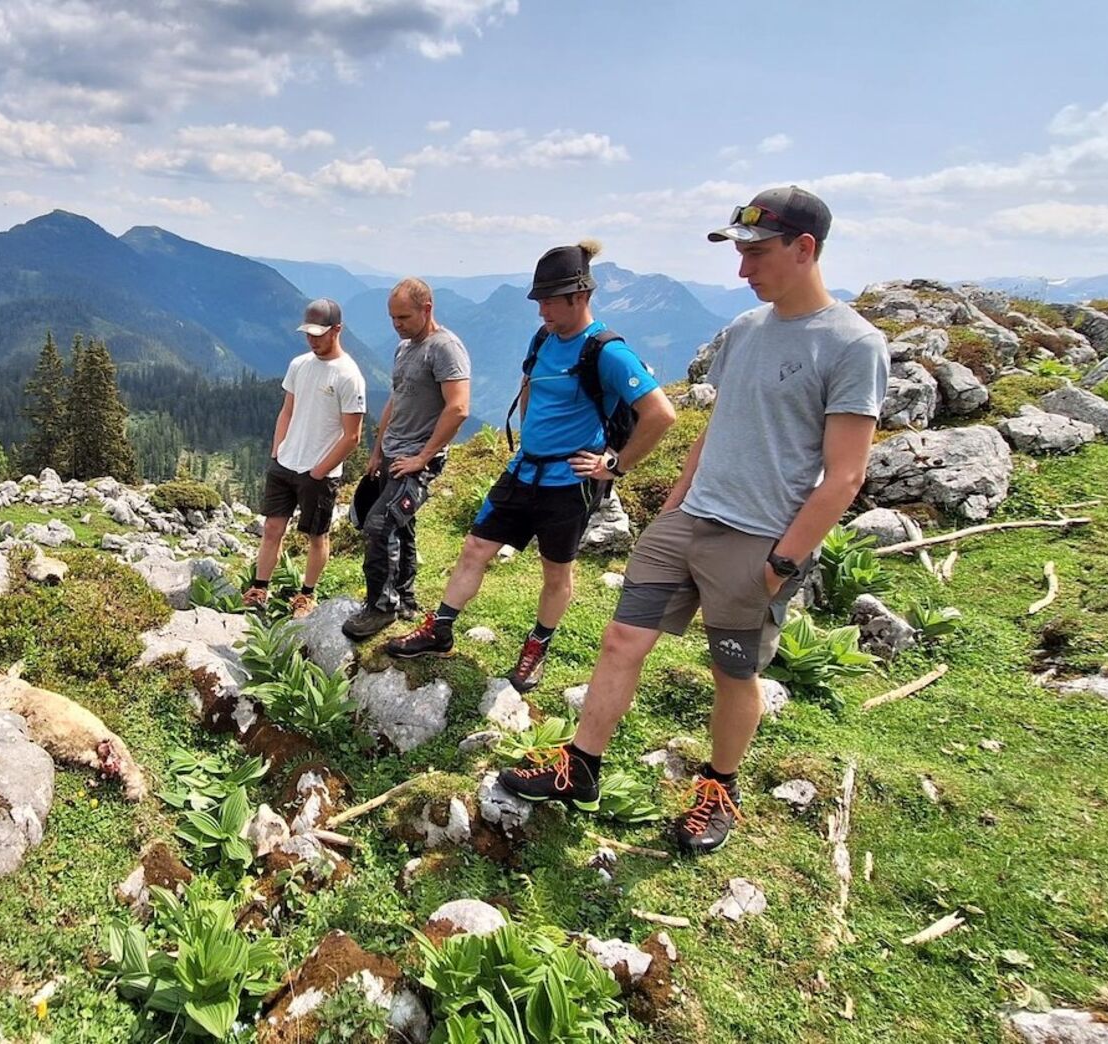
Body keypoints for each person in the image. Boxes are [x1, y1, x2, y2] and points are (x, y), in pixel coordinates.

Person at [497, 186, 888, 855]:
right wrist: (675, 506)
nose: (743, 270)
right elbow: (717, 429)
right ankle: (581, 767)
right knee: (621, 639)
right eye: (740, 253)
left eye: (757, 253)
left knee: (733, 672)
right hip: (690, 520)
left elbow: (845, 475)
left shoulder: (853, 345)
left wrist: (783, 562)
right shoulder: (743, 332)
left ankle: (719, 786)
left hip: (759, 537)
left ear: (804, 249)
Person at [385, 241, 675, 693]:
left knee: (556, 572)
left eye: (548, 301)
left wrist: (614, 465)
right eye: (538, 300)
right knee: (475, 549)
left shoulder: (607, 352)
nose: (541, 310)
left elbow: (661, 413)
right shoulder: (542, 339)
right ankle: (440, 628)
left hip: (569, 482)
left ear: (578, 297)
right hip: (524, 471)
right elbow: (529, 387)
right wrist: (525, 438)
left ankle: (537, 646)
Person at [342, 278, 471, 641]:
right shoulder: (404, 349)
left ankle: (380, 608)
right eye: (392, 317)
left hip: (418, 460)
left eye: (404, 317)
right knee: (402, 527)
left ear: (427, 309)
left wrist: (423, 457)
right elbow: (396, 401)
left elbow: (459, 408)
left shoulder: (445, 348)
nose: (397, 324)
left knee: (380, 525)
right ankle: (405, 599)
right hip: (392, 455)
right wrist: (377, 451)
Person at [243, 299, 367, 619]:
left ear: (337, 330)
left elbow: (353, 435)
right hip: (286, 463)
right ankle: (259, 589)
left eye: (319, 333)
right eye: (308, 333)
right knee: (272, 528)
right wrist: (277, 451)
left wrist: (319, 471)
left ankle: (306, 595)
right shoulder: (299, 364)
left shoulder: (349, 375)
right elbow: (287, 410)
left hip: (319, 472)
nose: (312, 339)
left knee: (316, 535)